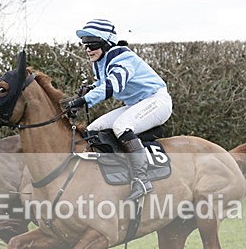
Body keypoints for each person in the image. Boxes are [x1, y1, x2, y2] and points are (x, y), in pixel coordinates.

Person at [62, 19, 172, 201]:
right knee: (92, 130)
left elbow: (114, 84)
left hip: (156, 100)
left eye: (93, 44)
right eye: (85, 45)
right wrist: (88, 90)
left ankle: (142, 179)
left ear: (106, 43)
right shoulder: (101, 61)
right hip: (136, 104)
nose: (88, 49)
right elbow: (101, 82)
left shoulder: (122, 57)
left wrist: (84, 100)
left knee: (122, 125)